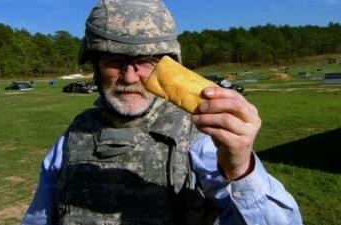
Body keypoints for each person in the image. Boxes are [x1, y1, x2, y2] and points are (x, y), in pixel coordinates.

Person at [22, 0, 303, 224]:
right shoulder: (72, 139)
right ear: (94, 65)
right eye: (114, 61)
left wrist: (240, 168)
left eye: (146, 62)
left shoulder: (201, 139)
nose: (130, 77)